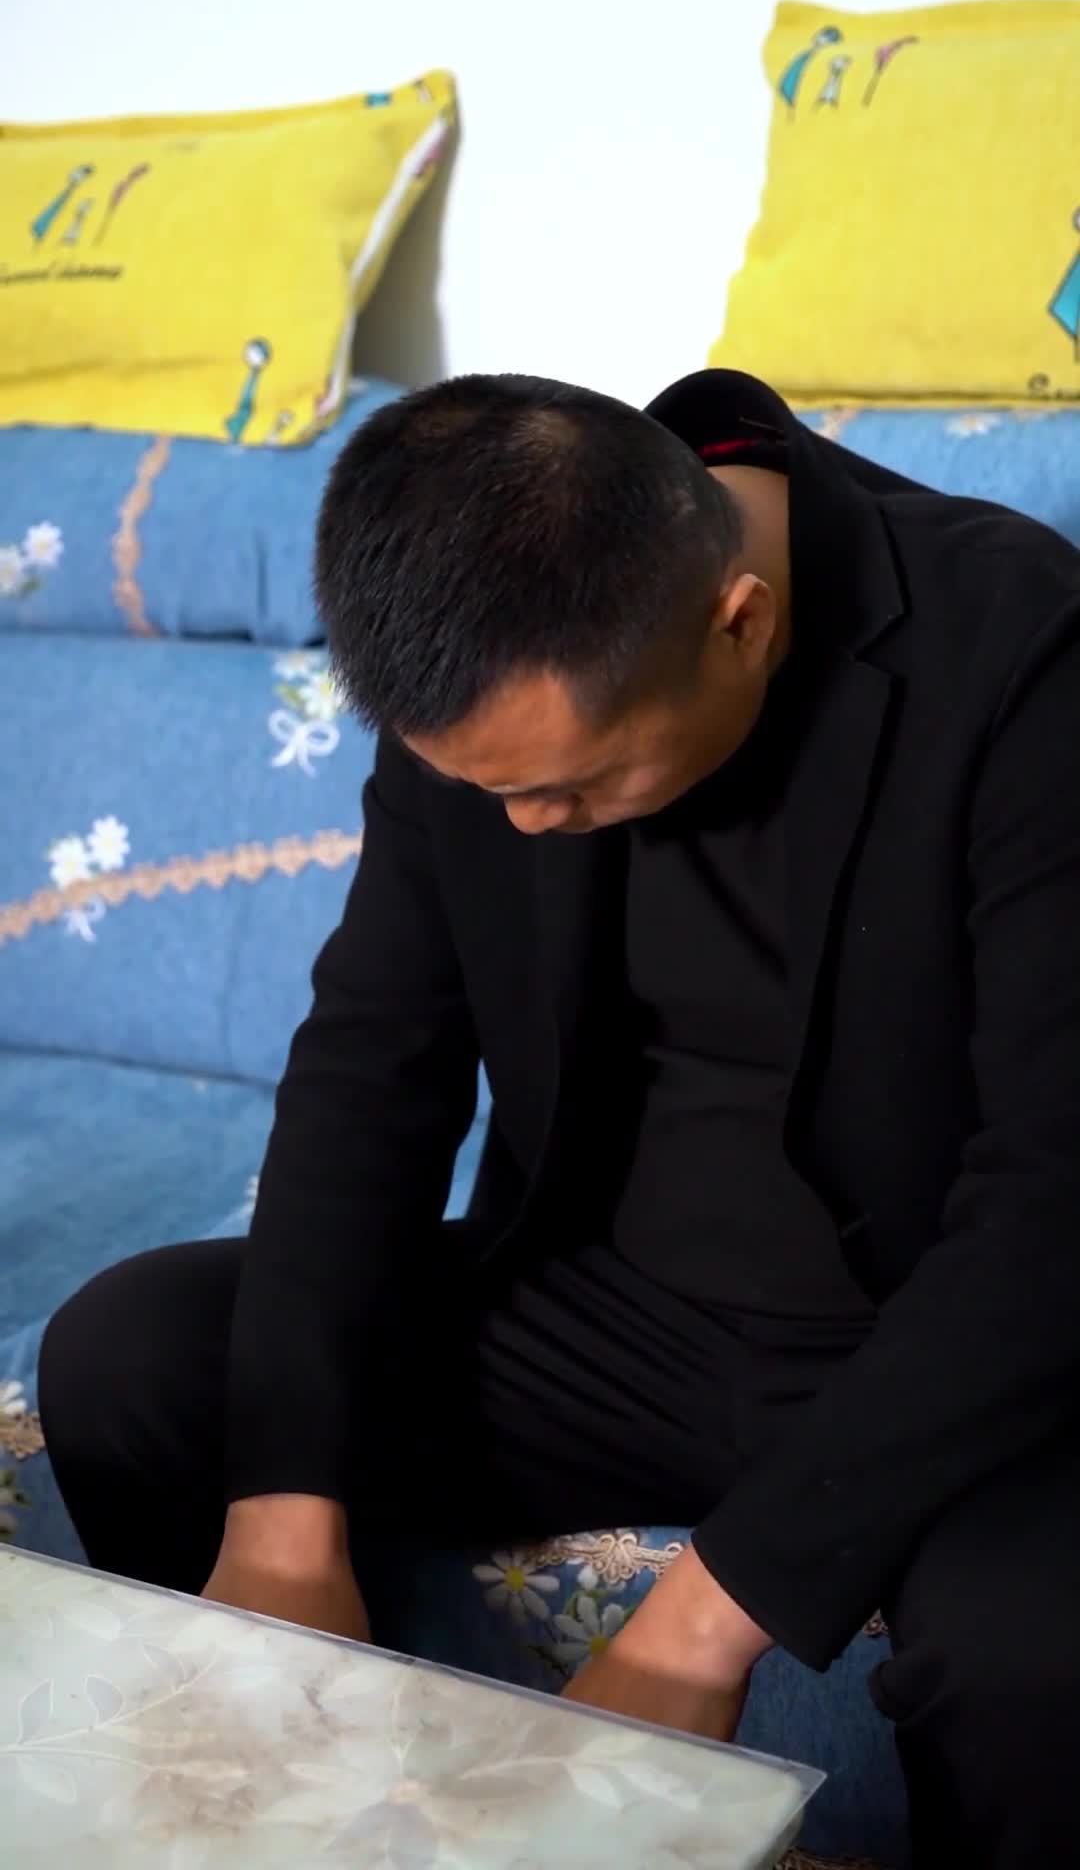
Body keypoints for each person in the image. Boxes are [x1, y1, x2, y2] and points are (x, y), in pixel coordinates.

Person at [40, 370, 1080, 1866]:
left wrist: (705, 1619)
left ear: (740, 624)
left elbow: (1054, 1201)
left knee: (1036, 1652)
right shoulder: (479, 647)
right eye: (490, 792)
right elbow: (373, 1069)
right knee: (135, 1361)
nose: (522, 824)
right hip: (614, 1318)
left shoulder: (1022, 652)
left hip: (928, 1341)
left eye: (569, 789)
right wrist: (282, 1511)